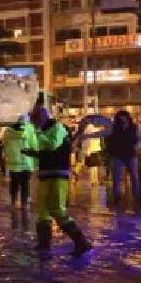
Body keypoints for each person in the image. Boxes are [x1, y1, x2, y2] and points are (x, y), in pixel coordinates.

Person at [24, 102, 92, 256]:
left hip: (58, 174)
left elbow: (52, 145)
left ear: (42, 117)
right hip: (46, 174)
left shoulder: (57, 128)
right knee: (43, 210)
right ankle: (43, 244)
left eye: (36, 118)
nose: (34, 122)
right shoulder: (45, 129)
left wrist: (37, 133)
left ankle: (81, 242)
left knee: (57, 208)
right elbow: (47, 151)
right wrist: (33, 153)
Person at [105, 110, 141, 204]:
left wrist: (135, 146)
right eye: (120, 118)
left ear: (127, 118)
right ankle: (117, 196)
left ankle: (136, 194)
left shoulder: (134, 127)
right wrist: (110, 149)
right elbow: (106, 139)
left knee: (134, 176)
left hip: (130, 154)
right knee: (117, 177)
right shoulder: (113, 128)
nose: (122, 120)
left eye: (124, 117)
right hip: (117, 155)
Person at [2, 113, 37, 211]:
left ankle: (13, 202)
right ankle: (24, 204)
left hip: (13, 163)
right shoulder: (30, 129)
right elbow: (34, 145)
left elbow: (4, 145)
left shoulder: (8, 131)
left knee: (14, 184)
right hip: (27, 163)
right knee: (25, 184)